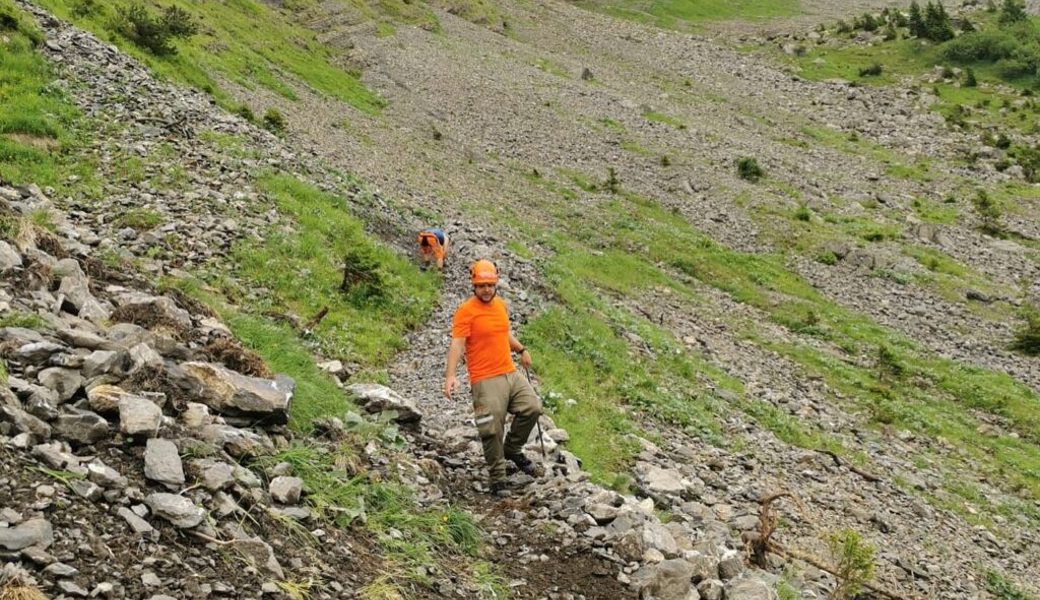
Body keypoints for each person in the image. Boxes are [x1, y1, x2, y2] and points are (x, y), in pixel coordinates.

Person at [444, 259, 544, 496]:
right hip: (484, 378)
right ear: (473, 285)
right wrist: (450, 376)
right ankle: (497, 478)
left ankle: (511, 449)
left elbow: (503, 333)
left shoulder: (500, 305)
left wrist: (521, 350)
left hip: (509, 371)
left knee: (532, 407)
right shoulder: (466, 311)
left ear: (496, 283)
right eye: (481, 286)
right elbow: (457, 345)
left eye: (490, 285)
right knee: (491, 427)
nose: (486, 290)